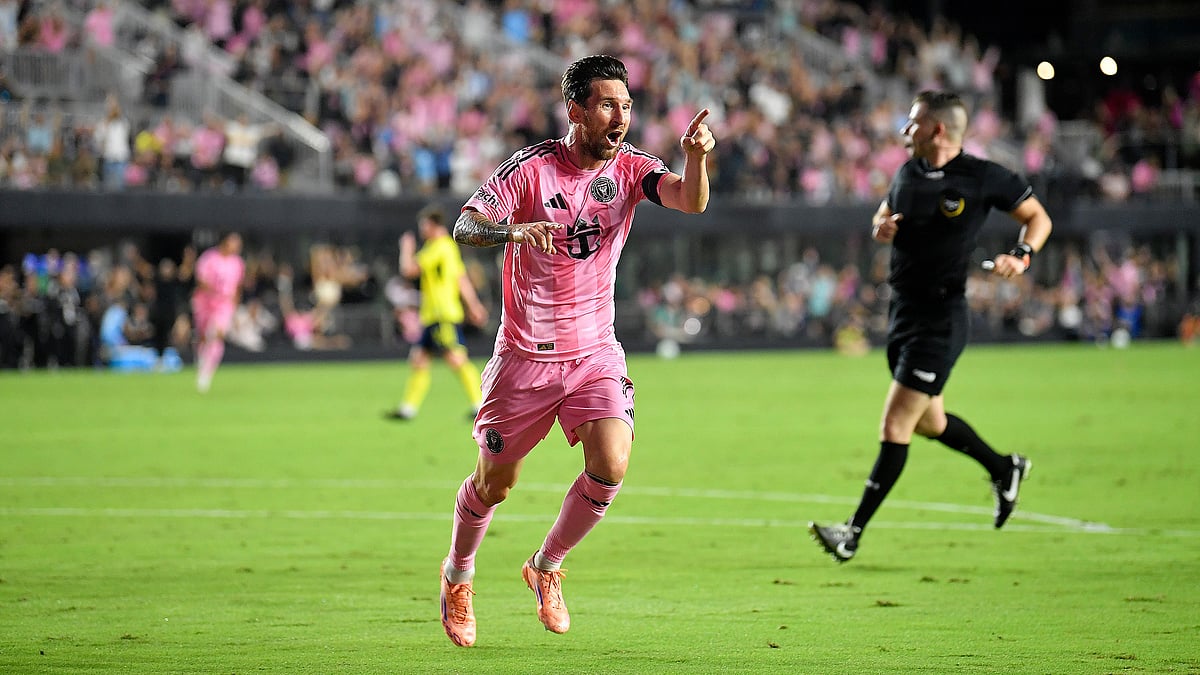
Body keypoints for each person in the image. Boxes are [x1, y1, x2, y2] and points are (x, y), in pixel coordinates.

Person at [437, 54, 715, 647]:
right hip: (525, 356)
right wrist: (512, 231)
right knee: (495, 484)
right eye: (609, 105)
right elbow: (464, 227)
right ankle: (458, 575)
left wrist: (696, 157)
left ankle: (546, 565)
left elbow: (691, 202)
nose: (622, 118)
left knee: (612, 461)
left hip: (594, 351)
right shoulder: (530, 170)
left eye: (628, 106)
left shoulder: (632, 169)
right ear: (577, 111)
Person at [809, 90, 1053, 563]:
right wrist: (881, 224)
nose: (905, 131)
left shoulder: (982, 176)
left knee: (896, 422)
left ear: (937, 130)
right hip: (902, 313)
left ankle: (852, 534)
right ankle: (1004, 468)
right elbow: (884, 210)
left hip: (941, 319)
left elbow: (1037, 217)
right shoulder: (907, 171)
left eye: (913, 123)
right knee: (930, 422)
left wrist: (1021, 256)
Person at [386, 205, 488, 421]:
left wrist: (406, 248)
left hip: (442, 314)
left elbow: (408, 270)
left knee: (456, 359)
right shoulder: (448, 247)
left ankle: (480, 404)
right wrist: (474, 305)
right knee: (419, 359)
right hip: (433, 315)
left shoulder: (438, 246)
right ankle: (408, 409)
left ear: (432, 225)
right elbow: (460, 279)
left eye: (424, 225)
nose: (422, 229)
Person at [191, 232, 245, 392]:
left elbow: (237, 288)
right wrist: (214, 290)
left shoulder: (238, 263)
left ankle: (206, 373)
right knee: (203, 335)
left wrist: (234, 309)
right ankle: (201, 359)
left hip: (224, 306)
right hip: (205, 303)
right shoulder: (209, 258)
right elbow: (201, 280)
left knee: (217, 334)